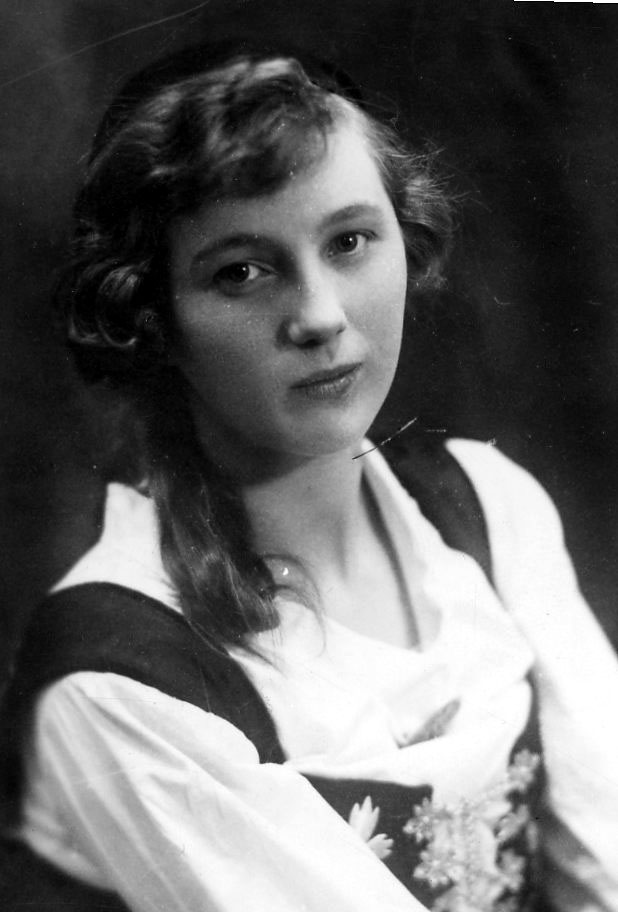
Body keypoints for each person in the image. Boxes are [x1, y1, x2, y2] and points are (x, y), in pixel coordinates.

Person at [1, 38, 617, 912]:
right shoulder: (120, 674)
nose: (320, 317)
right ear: (152, 313)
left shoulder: (487, 507)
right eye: (242, 272)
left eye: (351, 241)